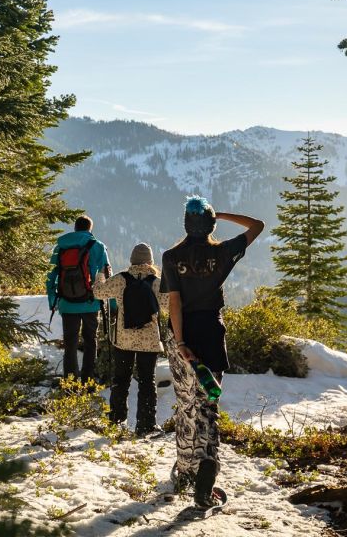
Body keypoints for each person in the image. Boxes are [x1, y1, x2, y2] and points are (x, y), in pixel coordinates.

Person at [161, 196, 264, 508]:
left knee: (186, 405)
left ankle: (185, 472)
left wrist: (180, 343)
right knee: (208, 406)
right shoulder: (223, 252)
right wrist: (221, 215)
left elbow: (174, 303)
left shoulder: (170, 256)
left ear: (185, 225)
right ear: (211, 224)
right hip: (211, 333)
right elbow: (257, 226)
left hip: (182, 336)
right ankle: (206, 476)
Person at [92, 243, 169, 436]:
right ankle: (146, 425)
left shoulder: (120, 279)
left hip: (123, 340)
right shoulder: (157, 282)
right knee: (146, 381)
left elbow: (98, 293)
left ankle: (117, 421)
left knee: (121, 379)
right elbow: (169, 305)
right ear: (150, 261)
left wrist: (101, 275)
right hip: (149, 341)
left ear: (132, 260)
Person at [46, 215, 111, 384]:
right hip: (90, 303)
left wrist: (52, 300)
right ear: (90, 229)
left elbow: (51, 277)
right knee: (90, 341)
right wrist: (111, 303)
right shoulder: (97, 246)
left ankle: (71, 382)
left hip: (67, 303)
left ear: (75, 228)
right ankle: (88, 381)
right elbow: (105, 275)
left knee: (70, 343)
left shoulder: (60, 247)